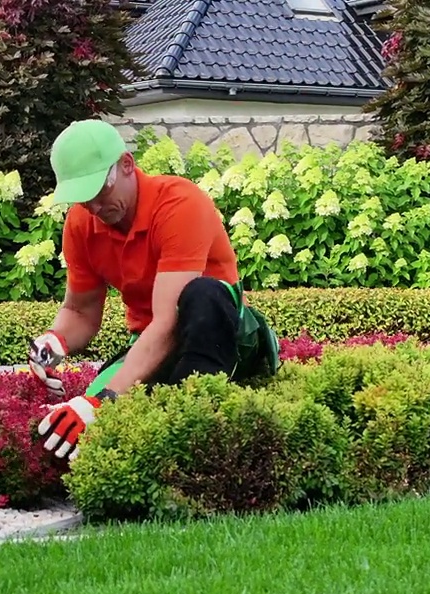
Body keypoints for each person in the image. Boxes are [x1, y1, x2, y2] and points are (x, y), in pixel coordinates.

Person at [31, 119, 280, 461]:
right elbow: (79, 311)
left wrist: (106, 401)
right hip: (152, 341)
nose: (94, 208)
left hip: (225, 334)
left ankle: (192, 424)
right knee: (87, 418)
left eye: (100, 192)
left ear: (127, 165)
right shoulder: (81, 223)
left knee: (201, 295)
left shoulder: (179, 203)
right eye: (82, 198)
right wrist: (53, 343)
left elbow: (169, 321)